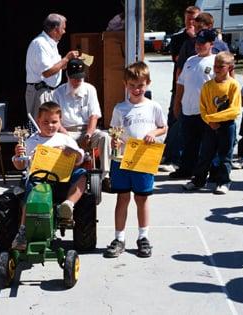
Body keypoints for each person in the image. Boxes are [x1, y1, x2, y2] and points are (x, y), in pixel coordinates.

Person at [104, 61, 167, 258]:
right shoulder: (120, 108)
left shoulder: (153, 106)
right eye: (132, 85)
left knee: (142, 198)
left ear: (147, 83)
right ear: (125, 85)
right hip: (122, 160)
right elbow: (114, 132)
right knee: (122, 198)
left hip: (144, 159)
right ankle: (119, 238)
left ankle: (143, 237)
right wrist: (114, 142)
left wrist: (153, 133)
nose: (136, 89)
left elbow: (163, 127)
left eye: (140, 85)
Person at [10, 101, 86, 250]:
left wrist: (73, 152)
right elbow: (20, 165)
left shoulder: (65, 139)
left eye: (54, 122)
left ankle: (68, 205)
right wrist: (18, 155)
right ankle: (23, 231)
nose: (50, 125)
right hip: (39, 181)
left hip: (61, 182)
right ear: (38, 121)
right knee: (29, 193)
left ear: (60, 122)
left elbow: (80, 158)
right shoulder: (31, 141)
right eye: (46, 122)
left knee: (82, 174)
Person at [183, 51, 241, 195]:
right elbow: (203, 108)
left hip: (227, 126)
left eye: (221, 66)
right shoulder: (208, 86)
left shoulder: (233, 85)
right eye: (215, 66)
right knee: (205, 154)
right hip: (210, 126)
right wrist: (209, 120)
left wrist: (214, 118)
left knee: (224, 155)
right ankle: (199, 180)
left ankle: (223, 182)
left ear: (230, 67)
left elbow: (234, 110)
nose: (216, 69)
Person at [52, 58, 111, 186]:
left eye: (80, 77)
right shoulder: (58, 93)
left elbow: (94, 116)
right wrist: (67, 137)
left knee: (104, 137)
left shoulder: (90, 89)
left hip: (86, 129)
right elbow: (56, 120)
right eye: (74, 78)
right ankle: (61, 176)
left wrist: (88, 134)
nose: (78, 81)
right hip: (66, 132)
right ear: (67, 75)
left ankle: (105, 176)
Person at [170, 29, 217, 179]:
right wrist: (177, 104)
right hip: (188, 109)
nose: (199, 45)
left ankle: (210, 171)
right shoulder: (190, 60)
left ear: (211, 44)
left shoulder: (216, 61)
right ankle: (186, 169)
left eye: (203, 43)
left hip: (206, 111)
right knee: (189, 143)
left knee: (208, 144)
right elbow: (181, 84)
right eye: (197, 42)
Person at [161, 6, 201, 171]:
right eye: (188, 19)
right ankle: (171, 156)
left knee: (194, 123)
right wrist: (192, 39)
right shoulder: (178, 37)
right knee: (175, 119)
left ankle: (187, 157)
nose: (191, 22)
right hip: (179, 85)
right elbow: (178, 59)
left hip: (198, 88)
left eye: (194, 19)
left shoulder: (206, 38)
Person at [25, 13, 79, 120]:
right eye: (63, 28)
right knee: (41, 128)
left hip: (49, 91)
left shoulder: (50, 44)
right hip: (40, 92)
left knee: (50, 126)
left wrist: (70, 62)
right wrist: (66, 58)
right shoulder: (40, 44)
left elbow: (55, 68)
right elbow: (47, 72)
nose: (64, 32)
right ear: (55, 30)